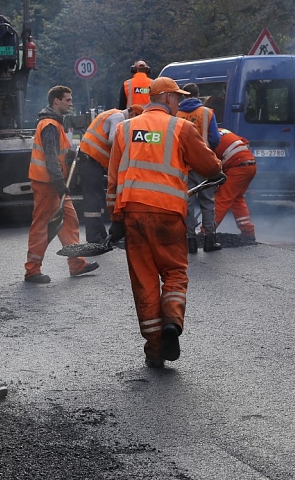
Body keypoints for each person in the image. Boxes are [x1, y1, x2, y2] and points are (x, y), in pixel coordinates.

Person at [107, 77, 223, 369]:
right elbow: (209, 166)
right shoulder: (180, 128)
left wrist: (115, 221)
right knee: (174, 271)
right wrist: (217, 170)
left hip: (133, 214)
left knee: (144, 280)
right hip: (169, 213)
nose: (179, 103)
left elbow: (113, 181)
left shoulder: (124, 129)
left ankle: (154, 349)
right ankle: (172, 320)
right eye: (178, 98)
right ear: (168, 98)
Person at [24, 85, 99, 283]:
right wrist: (59, 184)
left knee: (69, 221)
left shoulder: (54, 124)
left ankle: (77, 264)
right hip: (47, 184)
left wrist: (74, 155)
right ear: (56, 101)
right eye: (68, 99)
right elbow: (50, 159)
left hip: (50, 183)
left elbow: (57, 154)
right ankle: (32, 270)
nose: (71, 103)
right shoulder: (50, 125)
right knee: (42, 226)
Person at [78, 104, 143, 244]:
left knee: (98, 197)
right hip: (90, 160)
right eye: (135, 118)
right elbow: (114, 139)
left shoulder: (111, 113)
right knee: (93, 200)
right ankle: (94, 238)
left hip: (90, 160)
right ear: (131, 113)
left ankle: (100, 235)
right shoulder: (119, 117)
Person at [176, 83, 222, 253]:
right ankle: (210, 240)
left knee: (187, 203)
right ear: (198, 95)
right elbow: (215, 139)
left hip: (184, 165)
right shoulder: (207, 113)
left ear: (183, 96)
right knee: (208, 202)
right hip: (203, 164)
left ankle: (190, 242)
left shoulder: (176, 114)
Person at [213, 128, 257, 241]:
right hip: (250, 165)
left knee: (222, 199)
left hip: (237, 168)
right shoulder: (221, 131)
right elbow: (245, 142)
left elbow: (209, 162)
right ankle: (248, 231)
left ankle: (207, 232)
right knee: (236, 198)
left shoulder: (206, 138)